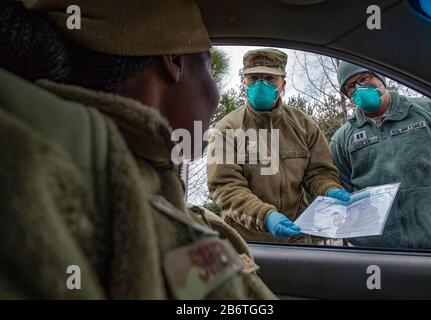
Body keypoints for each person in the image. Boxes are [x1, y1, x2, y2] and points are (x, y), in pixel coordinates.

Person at [0, 0, 276, 299]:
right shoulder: (43, 180)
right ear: (174, 61)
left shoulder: (156, 195)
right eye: (209, 67)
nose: (217, 97)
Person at [207, 48, 350, 243]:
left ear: (282, 84)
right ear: (244, 82)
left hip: (297, 238)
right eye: (254, 78)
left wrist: (328, 188)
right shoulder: (226, 129)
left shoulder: (303, 125)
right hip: (245, 243)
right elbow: (226, 187)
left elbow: (318, 173)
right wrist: (265, 217)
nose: (260, 84)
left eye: (269, 78)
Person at [330, 61, 431, 249]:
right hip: (380, 251)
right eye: (351, 86)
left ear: (380, 77)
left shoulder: (430, 111)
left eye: (364, 78)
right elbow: (342, 191)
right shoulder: (343, 139)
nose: (359, 88)